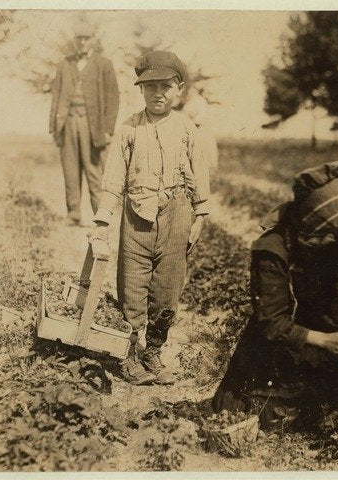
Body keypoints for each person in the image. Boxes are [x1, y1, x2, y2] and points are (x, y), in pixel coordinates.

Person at [212, 160, 338, 429]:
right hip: (278, 343)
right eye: (327, 235)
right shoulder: (272, 249)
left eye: (337, 236)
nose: (333, 242)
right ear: (310, 223)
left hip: (322, 341)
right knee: (265, 414)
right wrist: (326, 341)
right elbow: (272, 323)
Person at [88, 51, 210, 385]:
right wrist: (103, 219)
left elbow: (200, 175)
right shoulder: (128, 128)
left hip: (177, 214)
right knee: (133, 285)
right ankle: (127, 355)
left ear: (179, 89)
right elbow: (113, 178)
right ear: (141, 90)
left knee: (168, 288)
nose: (158, 93)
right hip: (137, 215)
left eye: (165, 86)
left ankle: (153, 352)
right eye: (150, 86)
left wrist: (200, 215)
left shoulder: (186, 129)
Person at [49, 21, 119, 226]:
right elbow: (56, 96)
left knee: (94, 170)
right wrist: (54, 127)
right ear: (74, 40)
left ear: (93, 40)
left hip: (92, 125)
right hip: (68, 122)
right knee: (70, 169)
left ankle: (101, 215)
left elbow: (113, 97)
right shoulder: (64, 64)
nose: (82, 42)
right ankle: (73, 215)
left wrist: (108, 129)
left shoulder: (104, 64)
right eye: (79, 38)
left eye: (86, 38)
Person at [179, 89, 218, 172]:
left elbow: (198, 120)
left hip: (199, 131)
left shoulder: (198, 101)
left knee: (202, 154)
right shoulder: (191, 101)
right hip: (194, 130)